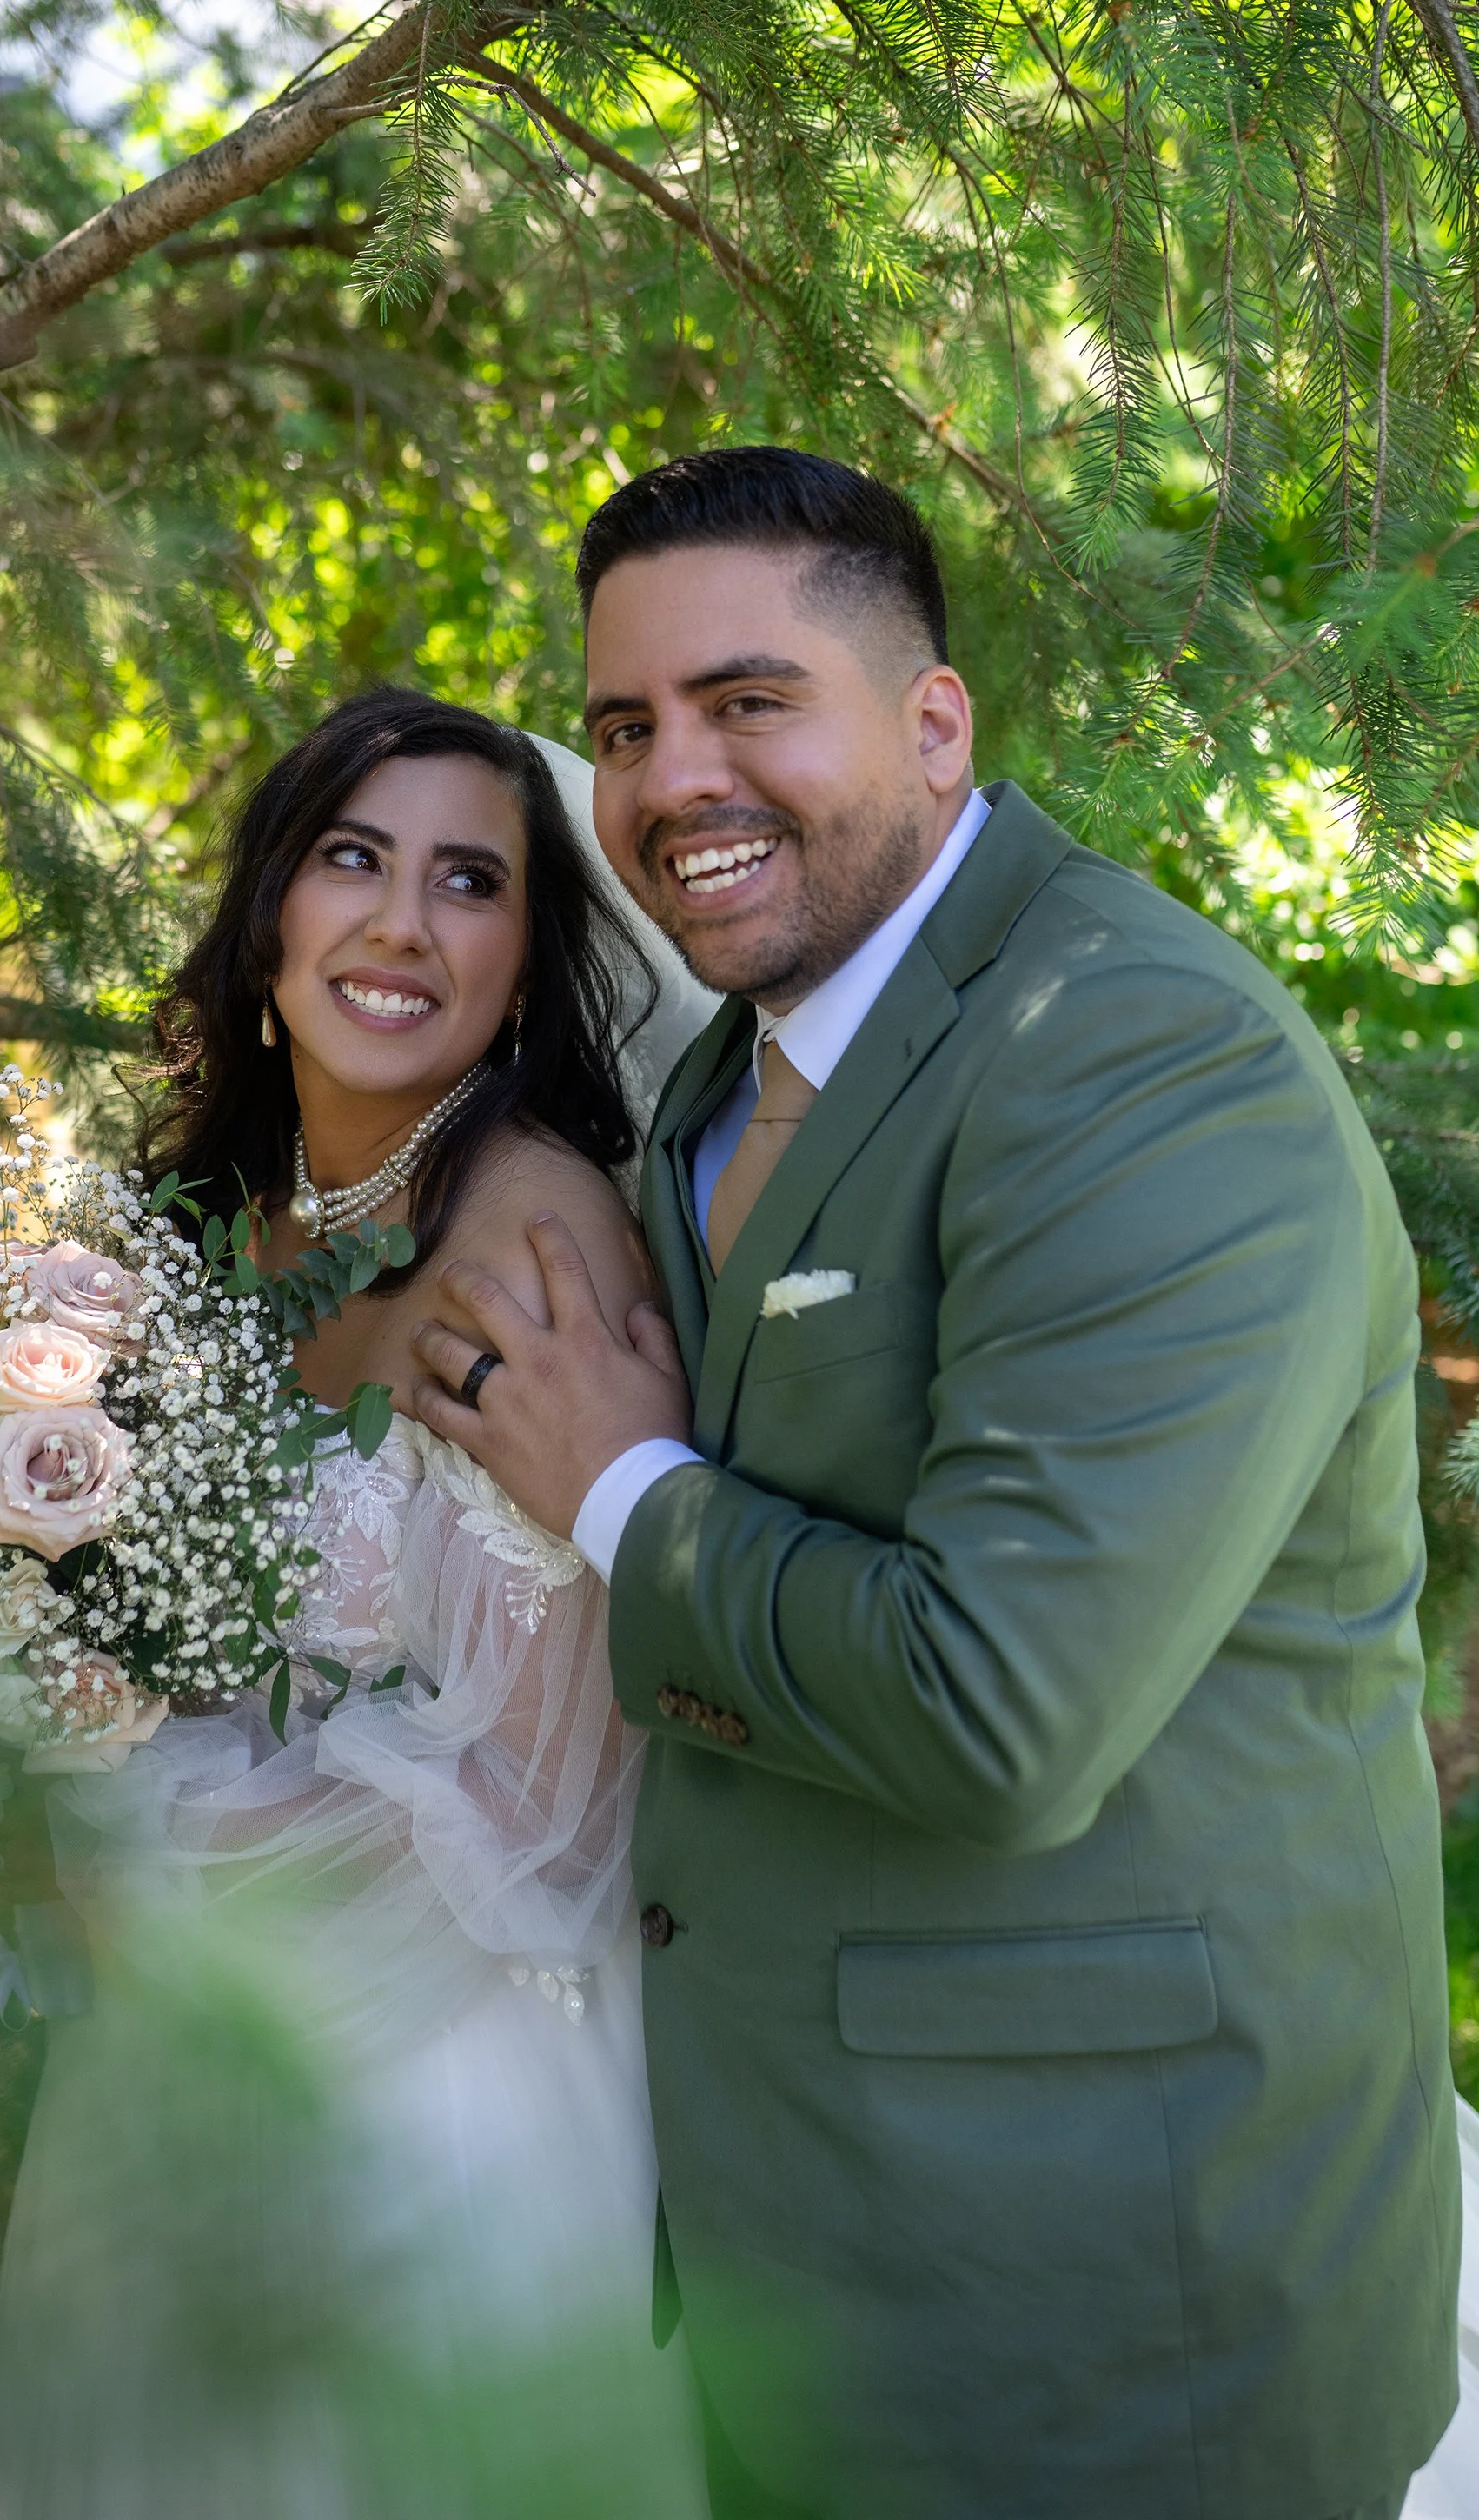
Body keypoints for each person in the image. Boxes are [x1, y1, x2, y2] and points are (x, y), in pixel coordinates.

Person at [408, 447, 1467, 2520]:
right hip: (801, 2245)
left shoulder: (1139, 1054)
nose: (669, 778)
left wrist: (618, 1490)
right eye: (625, 728)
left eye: (749, 702)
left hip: (1112, 2281)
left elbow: (1002, 1708)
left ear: (935, 718)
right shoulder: (728, 1073)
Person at [0, 689, 709, 2519]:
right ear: (271, 910)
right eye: (353, 859)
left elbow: (550, 1792)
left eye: (470, 883)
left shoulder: (538, 1244)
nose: (399, 923)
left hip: (433, 2095)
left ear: (527, 960)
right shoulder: (189, 1224)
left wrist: (142, 1867)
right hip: (171, 2057)